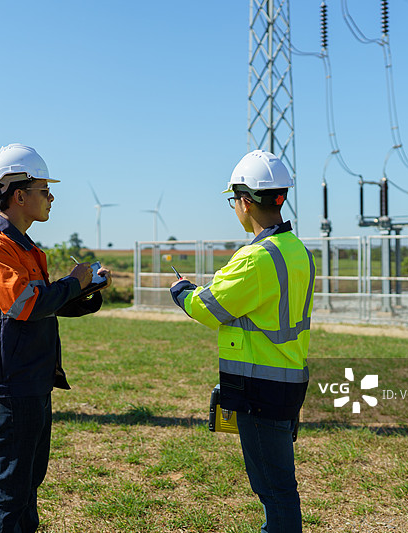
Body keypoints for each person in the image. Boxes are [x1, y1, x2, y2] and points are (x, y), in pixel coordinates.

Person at [0, 143, 111, 533]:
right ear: (19, 195)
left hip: (31, 376)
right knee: (13, 485)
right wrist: (73, 281)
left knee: (29, 481)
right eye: (44, 191)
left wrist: (86, 292)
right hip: (10, 380)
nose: (51, 198)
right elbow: (26, 305)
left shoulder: (25, 248)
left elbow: (45, 303)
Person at [169, 150, 314, 533]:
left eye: (234, 200)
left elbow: (207, 308)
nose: (235, 208)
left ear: (246, 202)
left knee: (275, 489)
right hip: (288, 379)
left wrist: (182, 291)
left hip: (259, 390)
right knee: (280, 485)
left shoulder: (256, 258)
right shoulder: (297, 251)